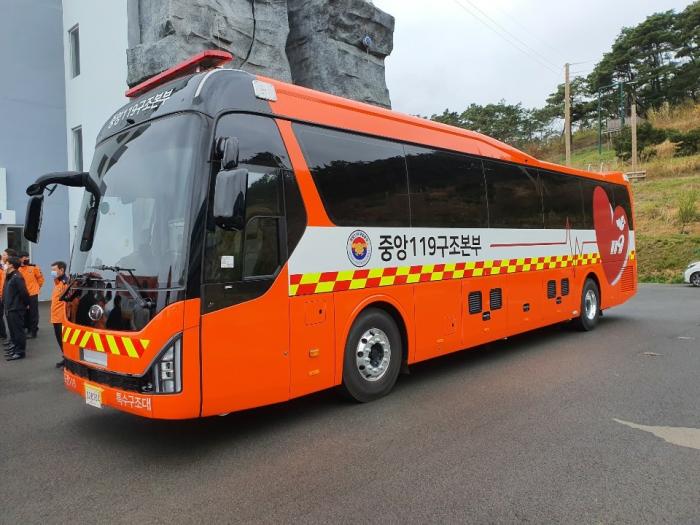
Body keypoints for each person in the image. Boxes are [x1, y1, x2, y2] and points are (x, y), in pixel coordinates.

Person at [4, 257, 29, 361]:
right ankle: (15, 349)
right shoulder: (11, 276)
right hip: (10, 308)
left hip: (16, 308)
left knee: (18, 331)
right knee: (14, 331)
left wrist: (26, 304)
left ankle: (20, 352)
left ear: (11, 265)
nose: (5, 264)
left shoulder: (17, 277)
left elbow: (24, 292)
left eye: (6, 263)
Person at [18, 251, 44, 338]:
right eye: (25, 257)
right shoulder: (18, 268)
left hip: (32, 294)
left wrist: (36, 288)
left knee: (33, 313)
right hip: (22, 294)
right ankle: (27, 327)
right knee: (25, 312)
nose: (27, 259)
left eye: (28, 257)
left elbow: (40, 279)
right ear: (20, 259)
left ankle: (33, 331)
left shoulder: (34, 267)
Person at [50, 261, 69, 368]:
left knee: (63, 341)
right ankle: (65, 358)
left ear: (61, 270)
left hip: (61, 318)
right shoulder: (58, 282)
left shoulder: (65, 284)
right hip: (55, 317)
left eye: (54, 270)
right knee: (59, 340)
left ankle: (68, 361)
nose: (52, 272)